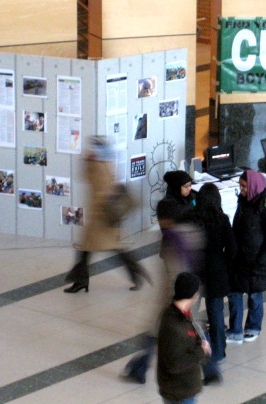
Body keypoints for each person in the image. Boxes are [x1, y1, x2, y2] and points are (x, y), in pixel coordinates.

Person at [122, 185, 206, 385]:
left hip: (176, 299)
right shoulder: (190, 231)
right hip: (191, 293)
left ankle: (140, 368)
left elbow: (175, 276)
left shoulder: (172, 241)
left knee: (159, 332)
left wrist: (174, 303)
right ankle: (140, 367)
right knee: (184, 332)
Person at [63, 136, 151, 293]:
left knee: (95, 248)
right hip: (105, 214)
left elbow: (89, 181)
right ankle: (134, 273)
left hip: (101, 216)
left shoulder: (96, 165)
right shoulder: (107, 162)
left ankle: (135, 272)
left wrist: (87, 162)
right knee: (89, 249)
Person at [183, 183, 237, 385]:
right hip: (216, 271)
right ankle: (219, 351)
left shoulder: (193, 219)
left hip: (195, 271)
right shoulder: (222, 220)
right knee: (215, 312)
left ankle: (192, 348)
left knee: (192, 313)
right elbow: (232, 248)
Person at [226, 170, 266, 343]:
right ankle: (235, 330)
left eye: (244, 186)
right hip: (240, 258)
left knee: (254, 296)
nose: (241, 189)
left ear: (253, 186)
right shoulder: (244, 200)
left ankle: (253, 327)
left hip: (257, 261)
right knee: (234, 293)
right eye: (240, 186)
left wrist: (261, 259)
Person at [157, 272, 211, 404]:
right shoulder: (173, 326)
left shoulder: (179, 314)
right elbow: (174, 364)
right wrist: (201, 351)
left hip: (182, 388)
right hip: (180, 391)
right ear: (193, 296)